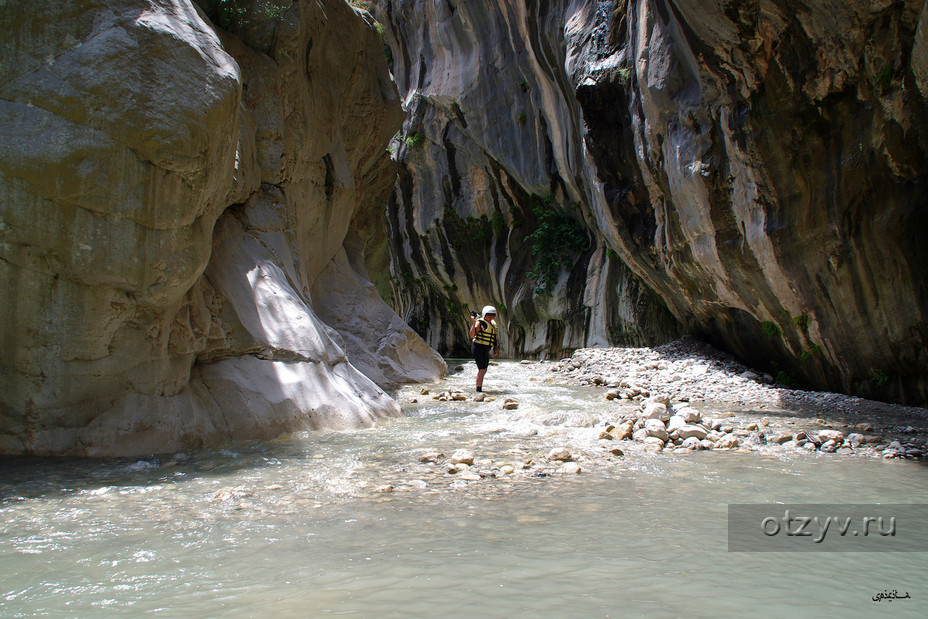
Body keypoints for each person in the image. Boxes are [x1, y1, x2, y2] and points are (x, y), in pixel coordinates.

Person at [469, 305, 499, 392]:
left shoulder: (493, 324)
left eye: (493, 315)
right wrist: (474, 323)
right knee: (482, 369)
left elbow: (493, 337)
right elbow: (472, 335)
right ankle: (478, 390)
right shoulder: (480, 323)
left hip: (486, 349)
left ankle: (479, 387)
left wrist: (495, 348)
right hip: (478, 348)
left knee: (484, 369)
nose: (491, 317)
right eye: (489, 315)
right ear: (484, 315)